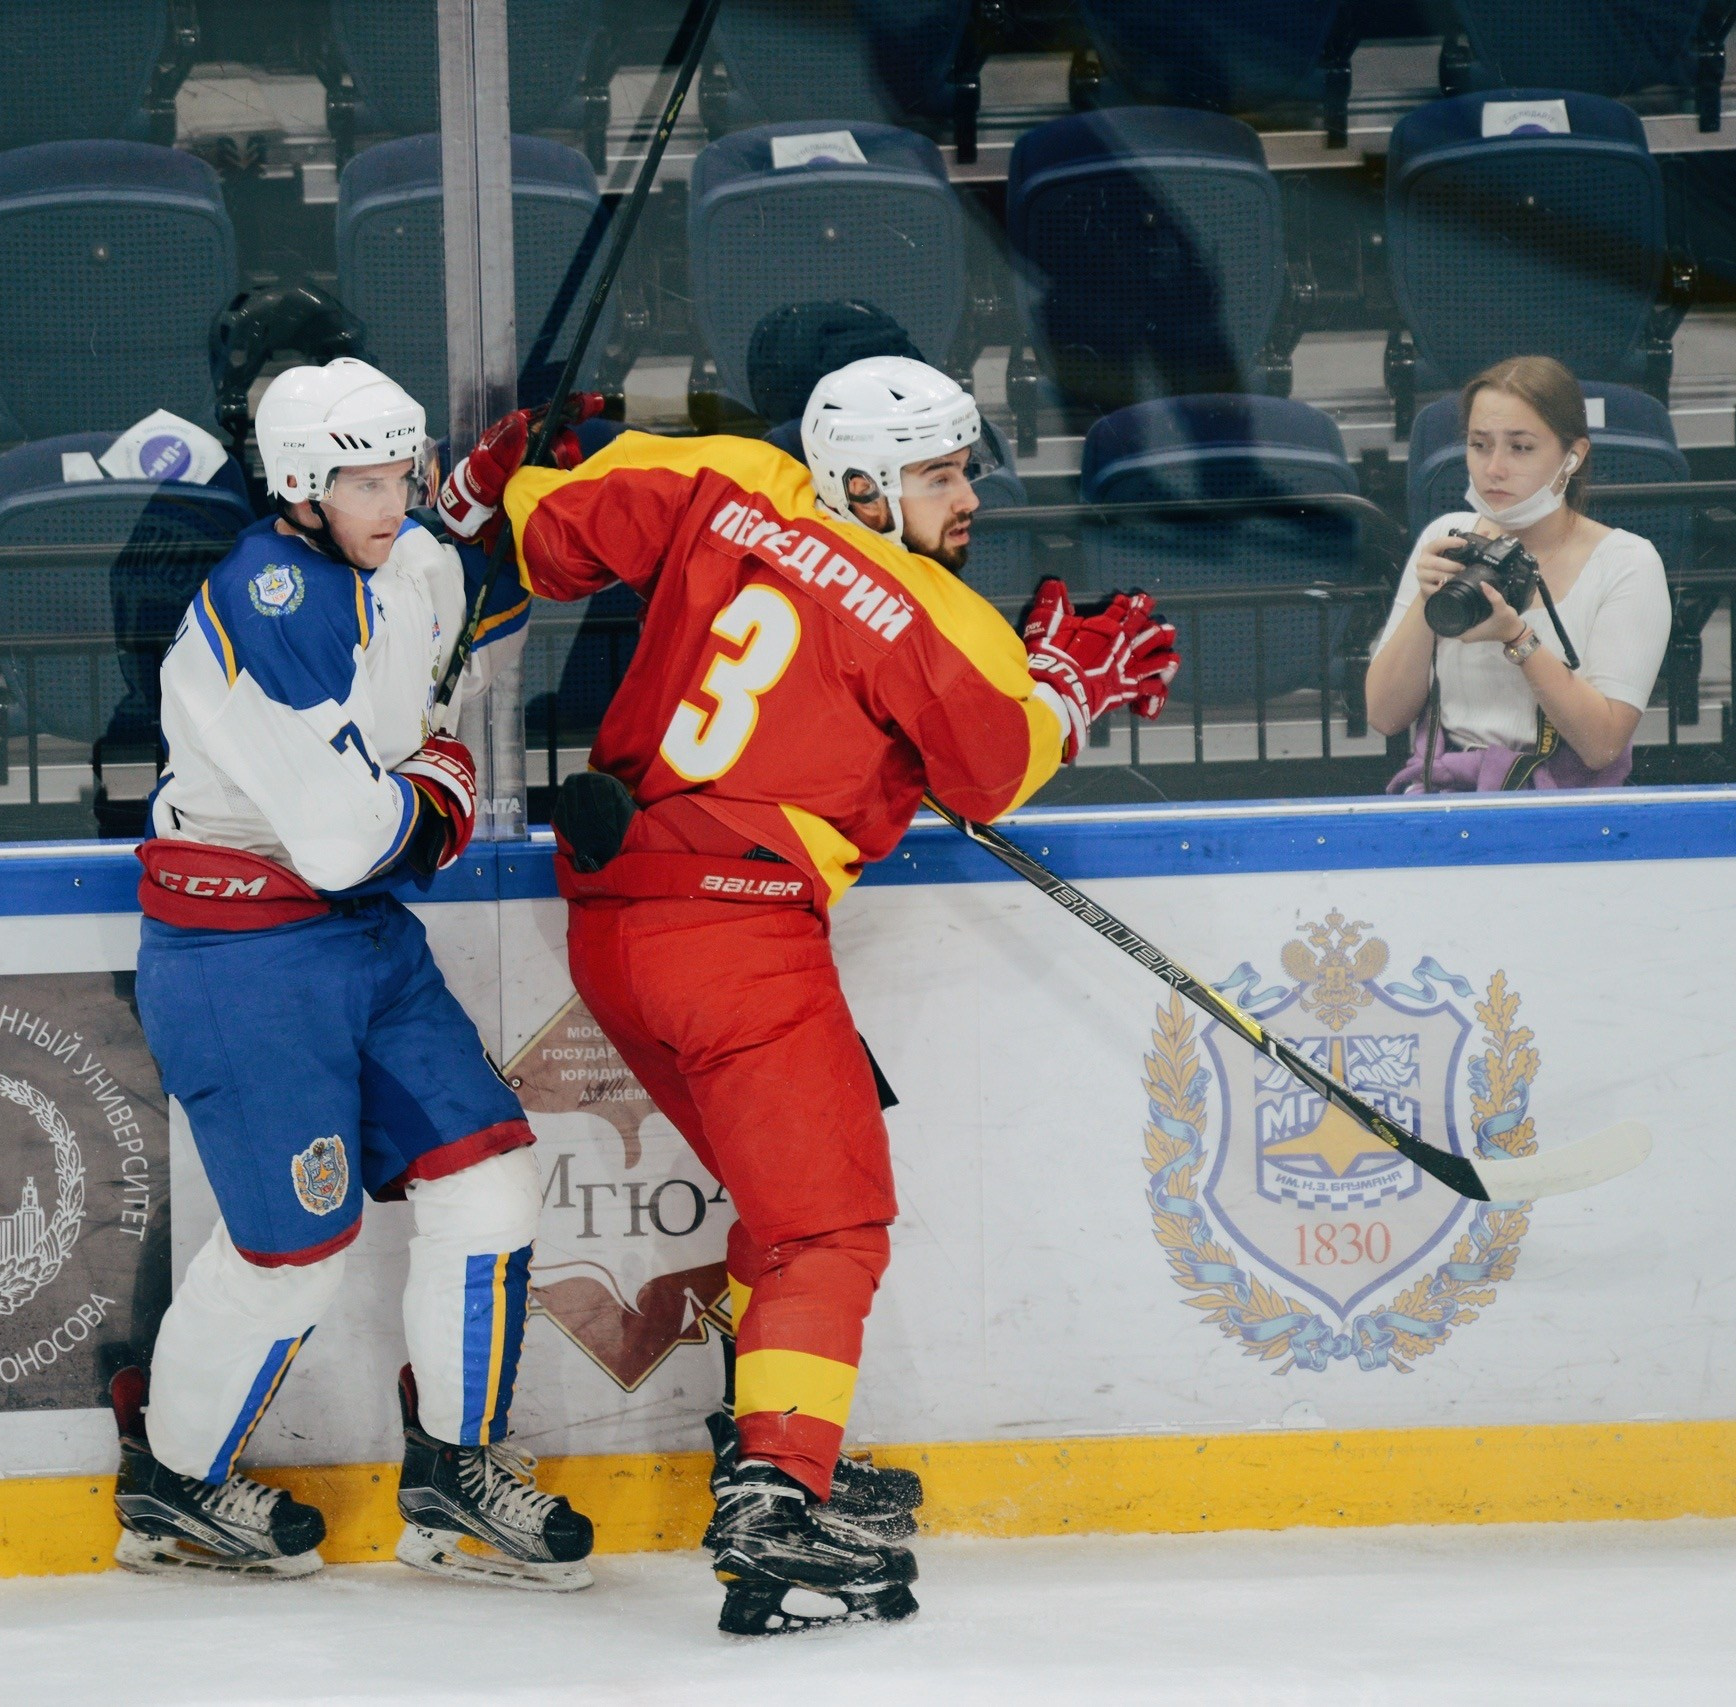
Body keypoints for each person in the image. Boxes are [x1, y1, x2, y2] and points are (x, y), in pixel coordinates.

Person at [434, 355, 1178, 1634]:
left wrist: (531, 461)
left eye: (966, 470)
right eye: (940, 475)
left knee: (784, 1216)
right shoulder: (926, 611)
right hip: (738, 944)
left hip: (615, 927)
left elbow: (551, 538)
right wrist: (1071, 687)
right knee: (828, 1228)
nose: (968, 499)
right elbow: (995, 763)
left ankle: (771, 1451)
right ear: (861, 482)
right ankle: (775, 1498)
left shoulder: (722, 476)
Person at [108, 357, 596, 1592]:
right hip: (241, 957)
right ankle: (170, 1487)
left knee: (490, 1181)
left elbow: (457, 642)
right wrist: (435, 786)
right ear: (297, 487)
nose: (394, 500)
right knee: (296, 1249)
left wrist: (492, 514)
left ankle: (454, 1479)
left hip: (364, 943)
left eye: (406, 473)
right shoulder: (268, 602)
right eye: (365, 481)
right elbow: (350, 836)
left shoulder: (404, 552)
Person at [1364, 355, 1673, 791]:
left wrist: (1517, 638)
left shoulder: (1627, 561)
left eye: (1520, 447)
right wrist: (1425, 601)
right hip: (1445, 793)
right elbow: (1384, 715)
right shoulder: (1446, 537)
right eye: (1479, 444)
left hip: (1566, 807)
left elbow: (1602, 745)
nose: (1494, 469)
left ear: (1573, 456)